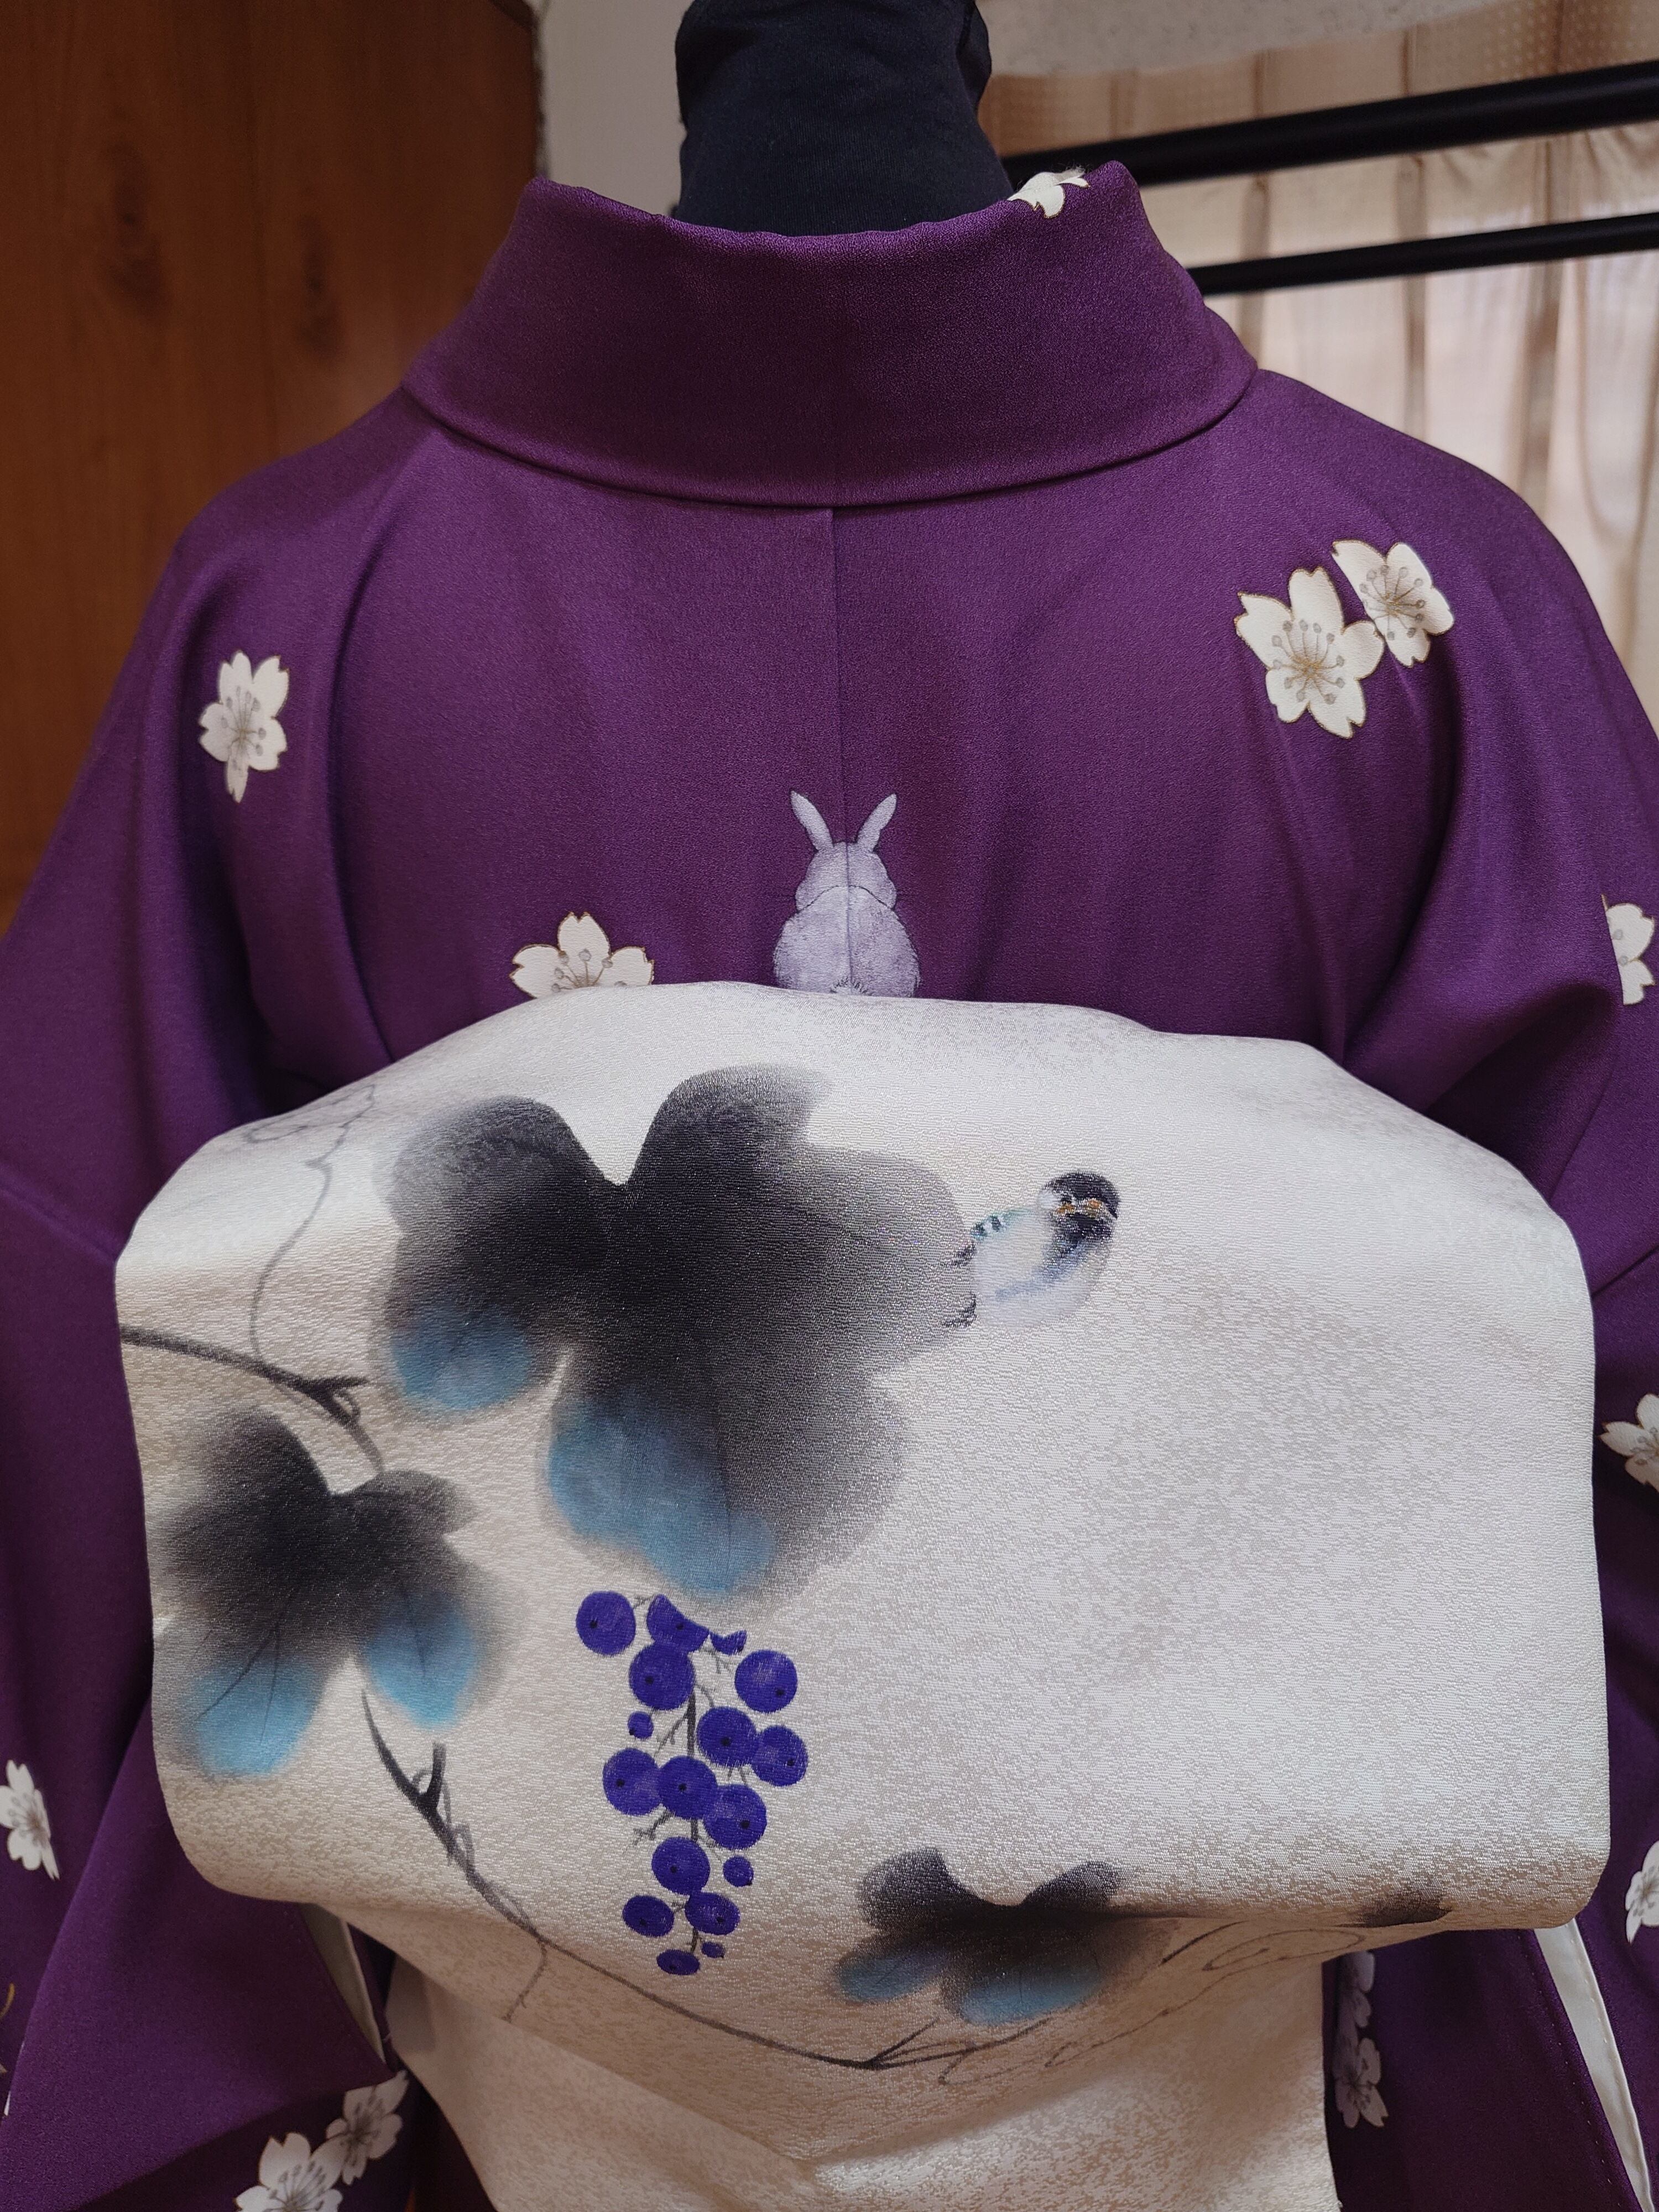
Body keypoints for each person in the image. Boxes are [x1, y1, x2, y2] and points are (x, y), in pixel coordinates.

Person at [2, 4, 1655, 2206]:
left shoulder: (298, 609)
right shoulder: (1410, 587)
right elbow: (1623, 1336)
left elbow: (66, 1331)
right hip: (1245, 2061)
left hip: (506, 2078)